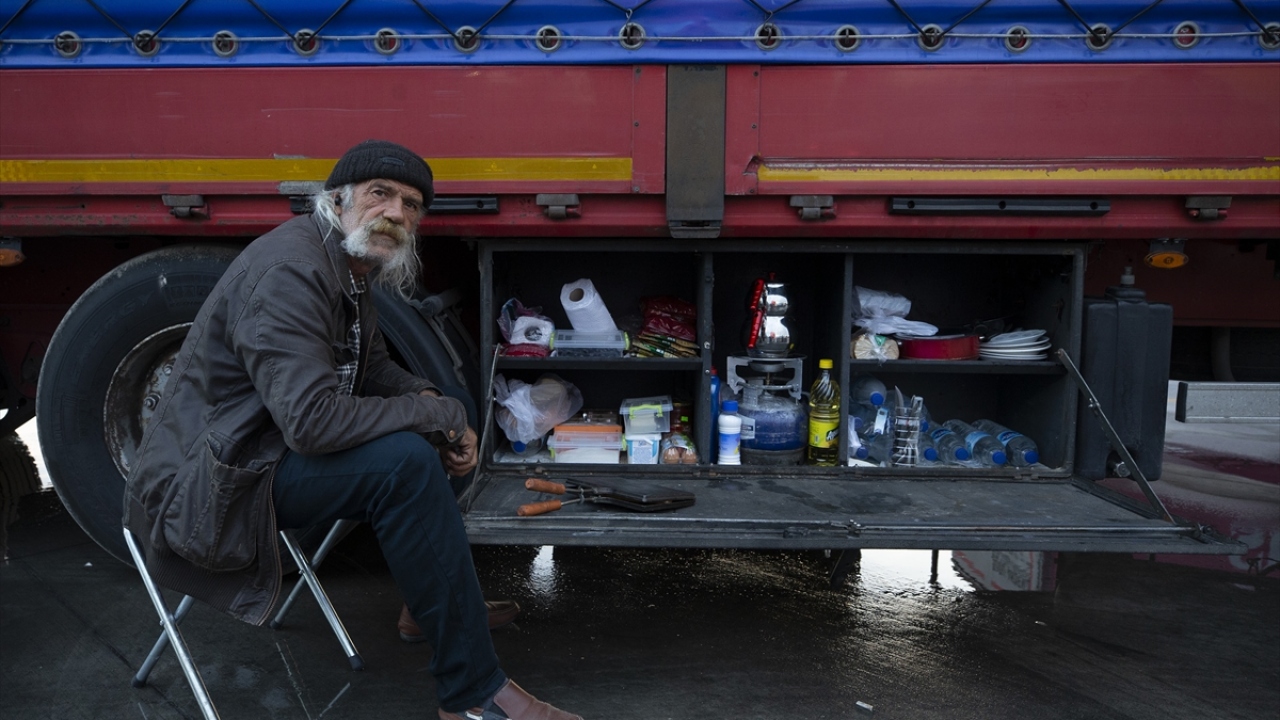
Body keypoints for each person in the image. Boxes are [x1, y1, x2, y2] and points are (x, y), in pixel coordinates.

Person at [124, 140, 581, 720]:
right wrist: (432, 417)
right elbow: (313, 422)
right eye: (380, 194)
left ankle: (433, 602)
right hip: (211, 484)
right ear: (337, 199)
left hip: (260, 453)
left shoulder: (349, 263)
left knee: (447, 411)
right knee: (406, 463)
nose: (395, 212)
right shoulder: (292, 272)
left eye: (411, 205)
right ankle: (473, 696)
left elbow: (371, 370)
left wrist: (435, 405)